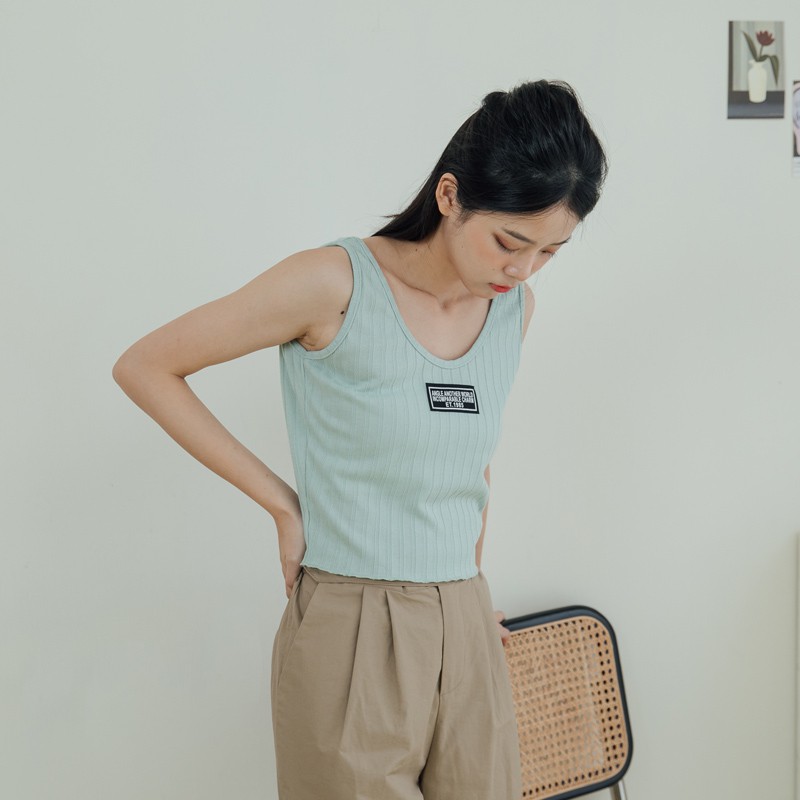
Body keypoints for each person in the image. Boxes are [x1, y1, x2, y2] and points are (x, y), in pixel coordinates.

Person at [113, 78, 607, 800]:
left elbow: (470, 462)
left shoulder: (513, 310)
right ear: (449, 196)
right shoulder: (334, 283)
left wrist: (462, 603)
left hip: (467, 622)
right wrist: (283, 505)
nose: (523, 269)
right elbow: (146, 367)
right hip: (350, 623)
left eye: (550, 252)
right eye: (510, 241)